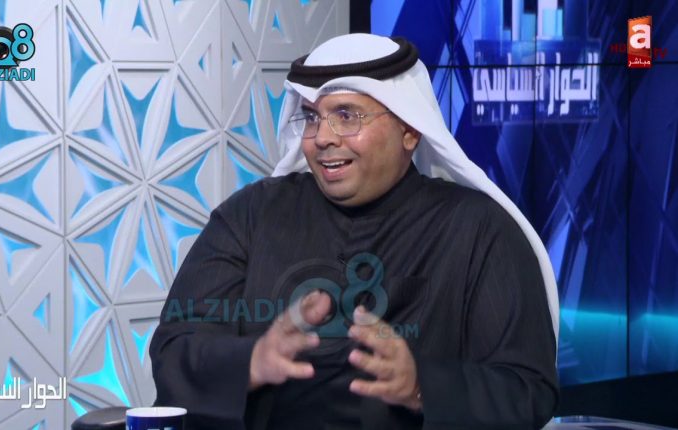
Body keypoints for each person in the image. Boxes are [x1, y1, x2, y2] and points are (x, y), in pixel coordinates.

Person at [149, 33, 559, 429]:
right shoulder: (251, 215)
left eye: (346, 116)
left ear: (410, 130)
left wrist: (421, 386)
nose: (322, 138)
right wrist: (251, 361)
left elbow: (528, 390)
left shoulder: (479, 230)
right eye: (312, 117)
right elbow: (173, 350)